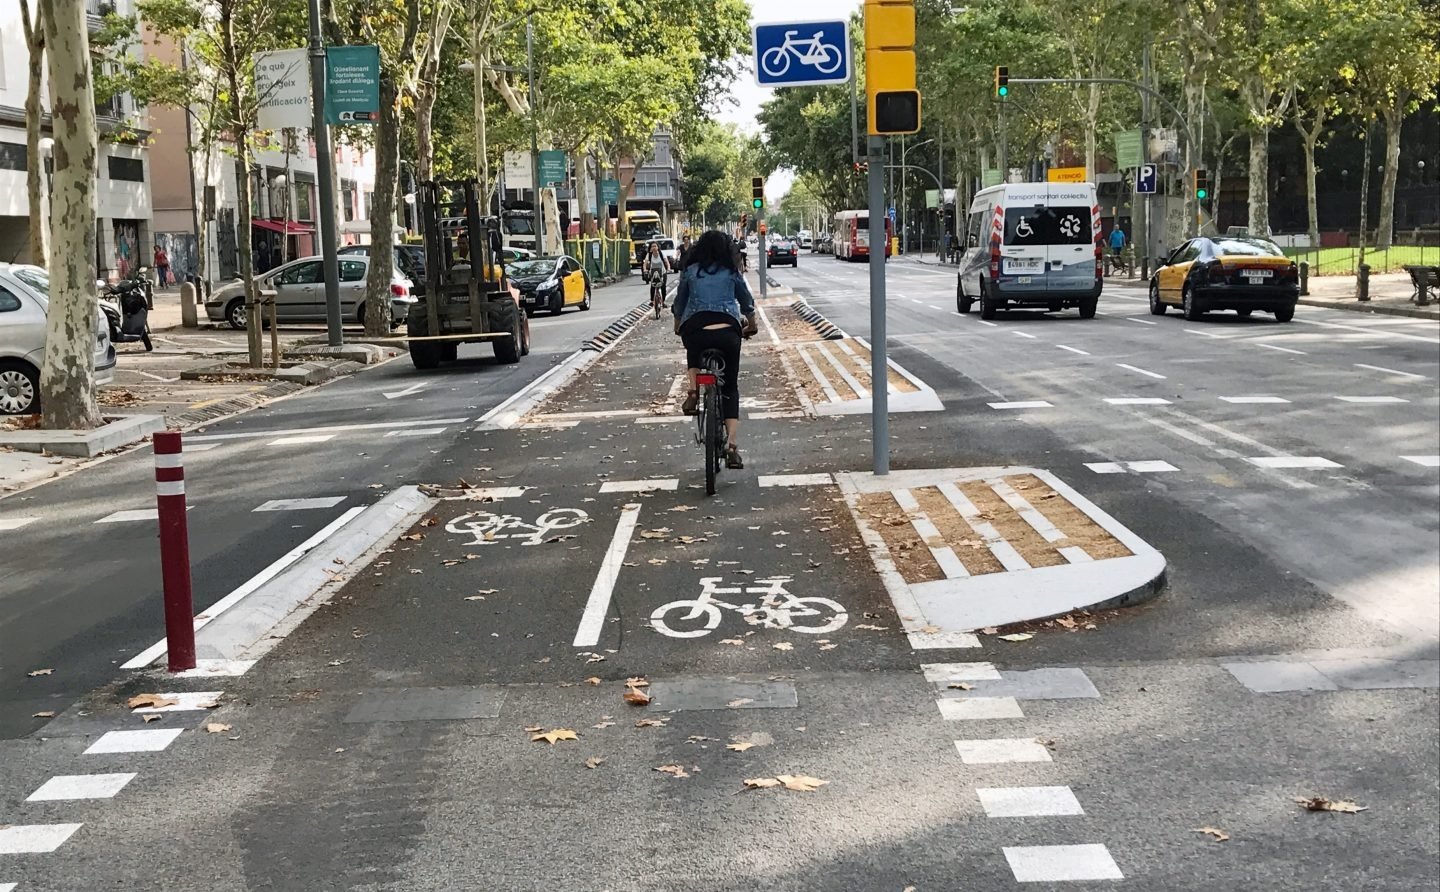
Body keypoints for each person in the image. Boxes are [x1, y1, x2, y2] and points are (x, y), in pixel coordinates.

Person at [672, 230, 757, 470]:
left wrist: (678, 324)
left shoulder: (691, 272)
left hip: (697, 329)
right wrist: (752, 324)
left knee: (692, 345)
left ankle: (692, 391)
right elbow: (746, 301)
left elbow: (680, 303)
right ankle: (731, 446)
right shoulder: (731, 272)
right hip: (728, 331)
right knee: (730, 386)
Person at [642, 241, 669, 306]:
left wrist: (668, 268)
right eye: (652, 246)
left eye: (655, 246)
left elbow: (666, 262)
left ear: (658, 247)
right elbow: (645, 264)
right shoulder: (649, 255)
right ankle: (652, 300)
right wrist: (645, 270)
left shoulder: (661, 254)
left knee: (663, 287)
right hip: (653, 272)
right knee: (653, 286)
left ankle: (663, 301)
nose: (654, 248)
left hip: (662, 272)